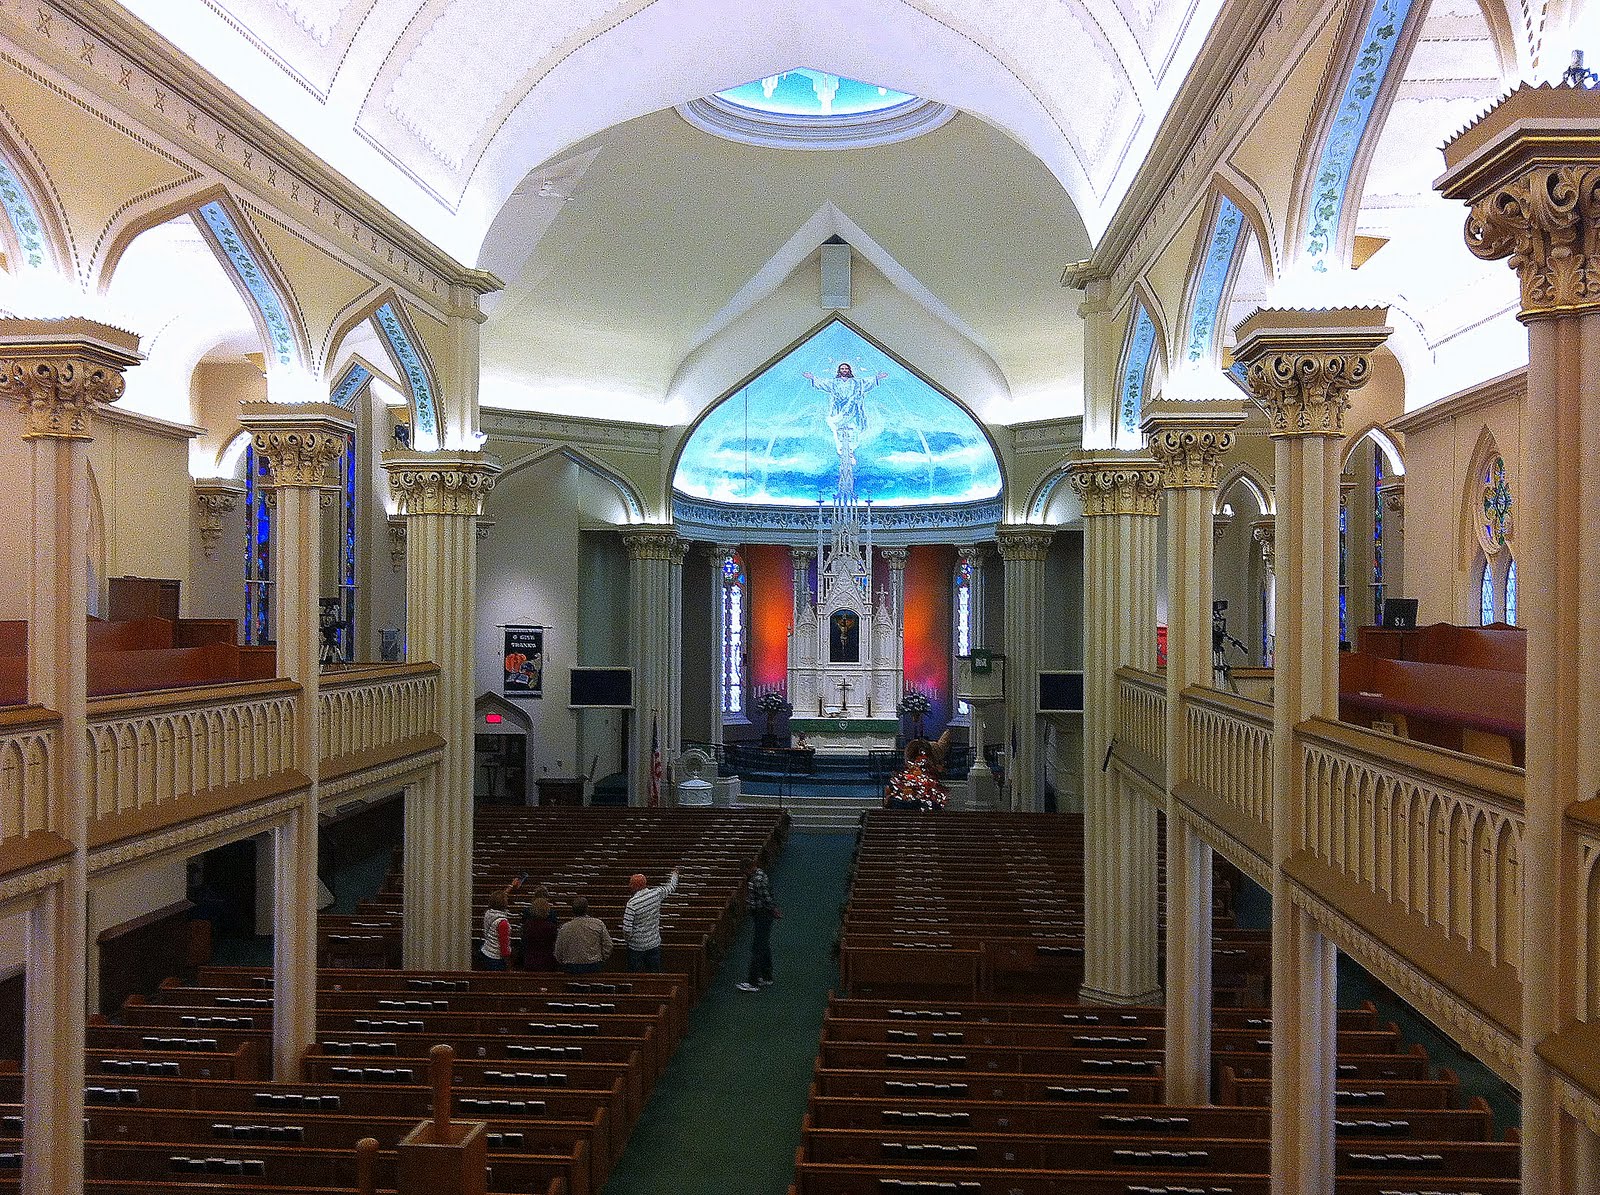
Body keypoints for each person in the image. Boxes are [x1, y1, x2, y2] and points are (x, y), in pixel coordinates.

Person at [620, 868, 679, 972]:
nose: (629, 886)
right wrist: (674, 875)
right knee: (654, 975)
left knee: (635, 977)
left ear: (634, 886)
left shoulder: (632, 904)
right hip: (653, 943)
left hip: (636, 946)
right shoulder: (656, 894)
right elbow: (671, 887)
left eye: (630, 884)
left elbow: (627, 929)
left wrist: (628, 940)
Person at [736, 853, 778, 992]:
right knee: (764, 945)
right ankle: (766, 976)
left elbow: (766, 897)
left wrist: (773, 910)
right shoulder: (758, 875)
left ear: (748, 868)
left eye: (745, 871)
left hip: (762, 915)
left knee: (757, 947)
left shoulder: (757, 879)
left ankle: (753, 982)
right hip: (762, 914)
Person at [553, 896, 613, 974]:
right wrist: (602, 958)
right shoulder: (597, 924)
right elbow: (608, 945)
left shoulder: (564, 928)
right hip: (593, 965)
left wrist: (563, 962)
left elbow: (558, 951)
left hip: (571, 967)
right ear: (587, 909)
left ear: (573, 910)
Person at [520, 889, 560, 971]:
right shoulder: (551, 927)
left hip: (530, 959)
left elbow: (523, 940)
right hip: (547, 960)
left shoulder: (527, 925)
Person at [479, 890, 513, 971]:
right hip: (496, 957)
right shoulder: (502, 922)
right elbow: (504, 944)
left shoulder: (488, 913)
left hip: (486, 950)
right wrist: (508, 963)